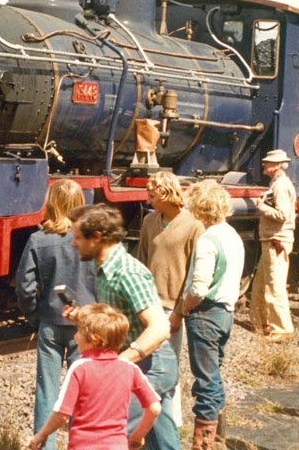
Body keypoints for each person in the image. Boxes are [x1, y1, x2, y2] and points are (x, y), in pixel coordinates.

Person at [68, 204, 181, 450]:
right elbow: (118, 321)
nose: (73, 244)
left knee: (105, 433)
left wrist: (120, 363)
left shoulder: (127, 272)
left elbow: (160, 327)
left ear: (97, 237)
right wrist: (81, 318)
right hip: (142, 363)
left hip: (153, 365)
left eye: (77, 237)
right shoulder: (105, 270)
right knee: (162, 441)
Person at [15, 179, 97, 450]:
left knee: (47, 390)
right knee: (81, 393)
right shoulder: (92, 240)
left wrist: (34, 316)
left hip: (50, 322)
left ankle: (43, 446)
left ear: (51, 203)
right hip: (84, 326)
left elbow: (25, 287)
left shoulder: (38, 239)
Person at [169, 180, 244, 450]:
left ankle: (203, 444)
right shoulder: (232, 235)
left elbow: (199, 287)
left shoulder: (208, 240)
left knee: (205, 380)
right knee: (214, 375)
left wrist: (185, 307)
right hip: (225, 313)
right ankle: (218, 439)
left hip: (205, 315)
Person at [28, 303, 161, 450]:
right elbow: (154, 407)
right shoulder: (130, 368)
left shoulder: (80, 368)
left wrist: (42, 434)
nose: (75, 336)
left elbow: (62, 414)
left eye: (79, 331)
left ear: (95, 339)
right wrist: (137, 436)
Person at [137, 171, 204, 425]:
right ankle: (148, 422)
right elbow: (142, 261)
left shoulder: (193, 226)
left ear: (165, 194)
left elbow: (193, 273)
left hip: (171, 309)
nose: (148, 200)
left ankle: (172, 423)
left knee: (168, 367)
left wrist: (179, 311)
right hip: (148, 305)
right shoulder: (148, 222)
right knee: (146, 365)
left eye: (152, 195)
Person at [250, 149, 297, 342]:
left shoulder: (280, 186)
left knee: (274, 285)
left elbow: (282, 214)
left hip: (276, 240)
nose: (264, 165)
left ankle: (282, 328)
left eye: (267, 163)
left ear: (277, 165)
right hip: (272, 239)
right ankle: (263, 322)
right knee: (262, 283)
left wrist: (261, 206)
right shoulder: (277, 184)